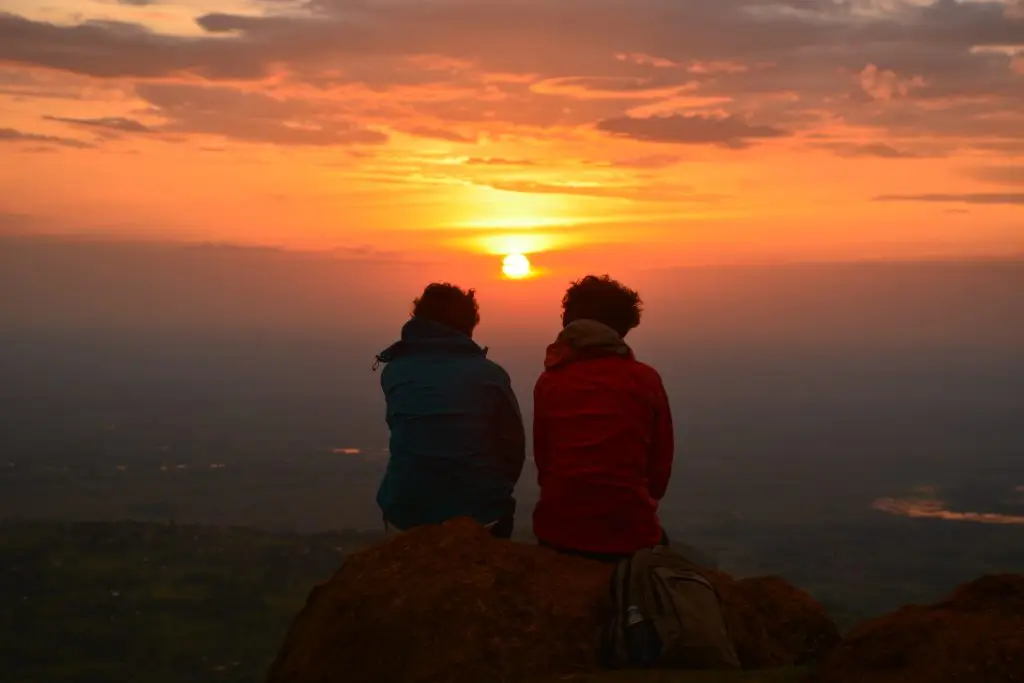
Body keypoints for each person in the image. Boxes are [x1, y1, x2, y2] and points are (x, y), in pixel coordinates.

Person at [533, 274, 675, 562]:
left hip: (558, 531)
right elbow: (659, 474)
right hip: (629, 536)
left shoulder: (550, 381)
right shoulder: (645, 380)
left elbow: (545, 463)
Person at [373, 282, 526, 538]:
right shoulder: (491, 376)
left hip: (405, 514)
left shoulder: (394, 372)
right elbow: (513, 449)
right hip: (480, 515)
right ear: (468, 326)